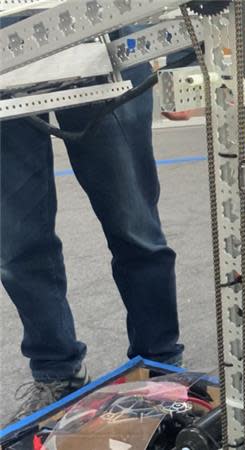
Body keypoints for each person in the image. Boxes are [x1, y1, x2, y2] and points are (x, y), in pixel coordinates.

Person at [0, 26, 184, 424]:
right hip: (4, 49)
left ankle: (159, 364)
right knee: (16, 245)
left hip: (98, 34)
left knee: (135, 226)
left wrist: (182, 60)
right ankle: (56, 372)